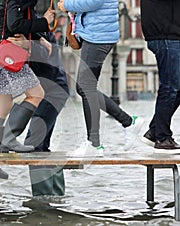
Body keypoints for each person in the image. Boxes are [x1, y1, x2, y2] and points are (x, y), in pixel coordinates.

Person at [0, 0, 55, 178]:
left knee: (3, 105)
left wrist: (40, 38)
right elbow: (14, 23)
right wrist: (44, 22)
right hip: (4, 54)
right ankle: (9, 139)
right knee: (36, 94)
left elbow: (15, 21)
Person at [58, 0, 141, 155]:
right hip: (96, 33)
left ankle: (96, 143)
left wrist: (67, 5)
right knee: (85, 88)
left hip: (98, 36)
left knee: (84, 87)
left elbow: (92, 2)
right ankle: (124, 125)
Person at [10, 31, 69, 196]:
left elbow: (46, 54)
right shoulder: (36, 31)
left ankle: (43, 200)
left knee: (33, 143)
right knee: (41, 145)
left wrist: (28, 45)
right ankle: (55, 196)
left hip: (53, 93)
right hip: (51, 92)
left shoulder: (38, 32)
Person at [140, 0, 180, 153]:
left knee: (175, 86)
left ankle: (155, 131)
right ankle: (162, 139)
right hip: (165, 33)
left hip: (171, 33)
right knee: (170, 86)